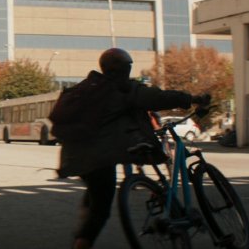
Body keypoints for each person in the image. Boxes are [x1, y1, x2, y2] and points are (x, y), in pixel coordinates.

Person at [57, 48, 209, 249]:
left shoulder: (85, 87)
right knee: (101, 210)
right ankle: (81, 243)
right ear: (125, 68)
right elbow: (158, 98)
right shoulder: (122, 88)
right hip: (98, 156)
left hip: (74, 155)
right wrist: (193, 99)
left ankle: (81, 228)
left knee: (96, 194)